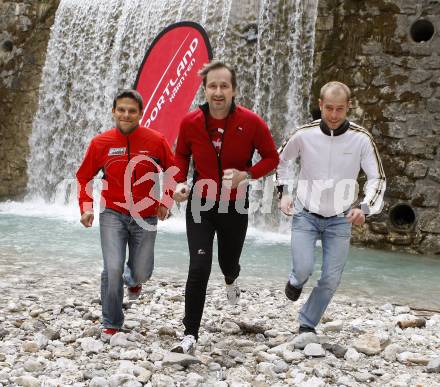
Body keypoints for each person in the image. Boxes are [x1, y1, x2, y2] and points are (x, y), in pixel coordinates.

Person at [170, 60, 279, 353]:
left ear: (233, 90)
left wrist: (247, 175)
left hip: (235, 206)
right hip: (200, 204)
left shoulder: (251, 122)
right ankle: (190, 333)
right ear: (205, 89)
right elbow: (180, 155)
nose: (218, 92)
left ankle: (231, 279)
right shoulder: (190, 122)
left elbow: (272, 158)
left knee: (227, 264)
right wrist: (178, 182)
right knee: (200, 265)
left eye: (224, 86)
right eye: (212, 86)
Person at [277, 81, 386, 334]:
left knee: (330, 279)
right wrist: (283, 194)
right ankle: (296, 280)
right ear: (320, 105)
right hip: (305, 214)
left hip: (341, 218)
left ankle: (307, 322)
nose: (334, 115)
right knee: (303, 269)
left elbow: (377, 178)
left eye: (340, 109)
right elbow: (280, 160)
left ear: (349, 106)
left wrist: (365, 207)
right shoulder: (304, 134)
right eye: (329, 109)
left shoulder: (361, 139)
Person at [76, 89, 175, 341]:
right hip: (113, 214)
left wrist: (165, 200)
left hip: (146, 215)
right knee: (112, 268)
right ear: (113, 111)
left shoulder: (155, 140)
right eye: (121, 109)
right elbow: (84, 176)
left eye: (132, 111)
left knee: (141, 271)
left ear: (141, 113)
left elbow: (173, 170)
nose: (126, 115)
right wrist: (85, 207)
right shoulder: (101, 143)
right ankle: (112, 321)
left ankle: (133, 280)